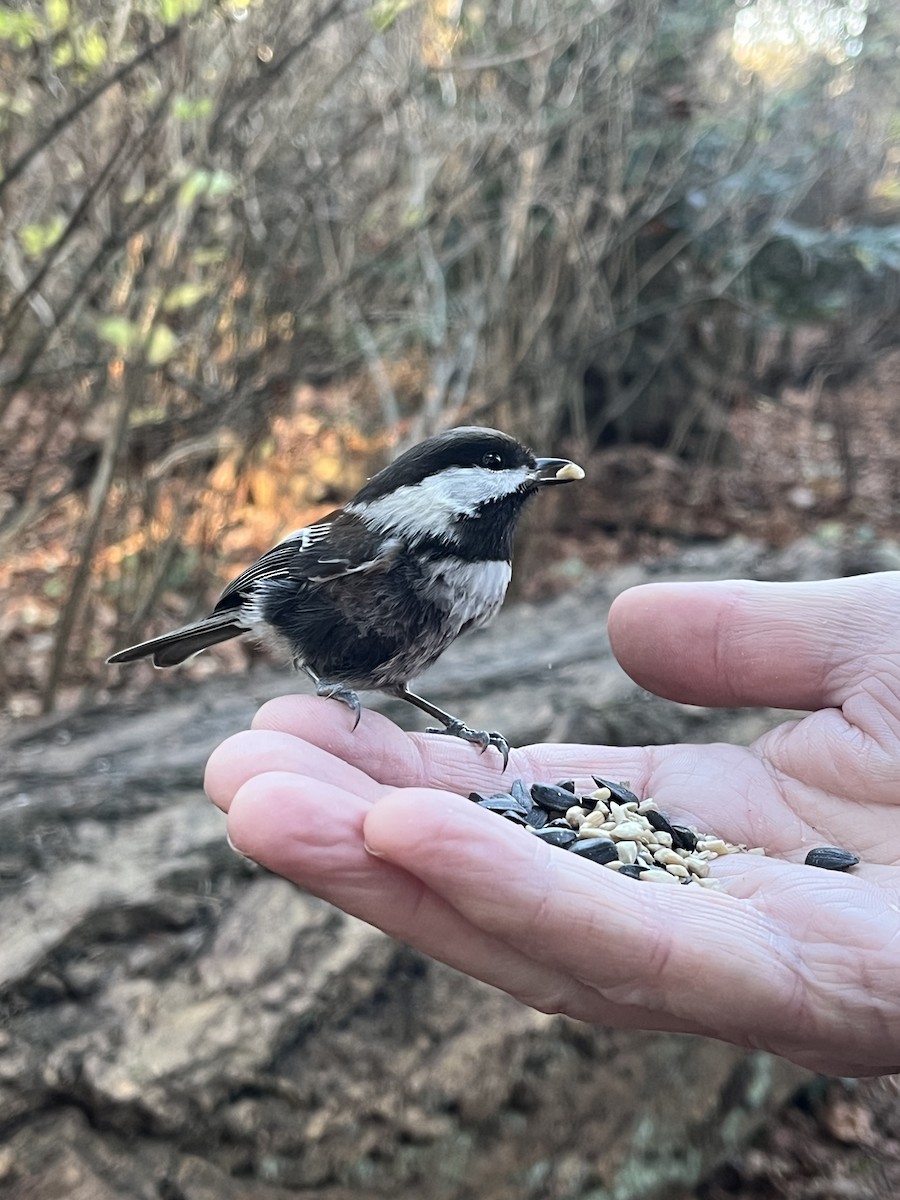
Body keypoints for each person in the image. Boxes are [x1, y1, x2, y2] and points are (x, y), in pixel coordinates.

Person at [205, 576, 900, 1077]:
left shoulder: (477, 573)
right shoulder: (365, 542)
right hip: (298, 628)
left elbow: (402, 670)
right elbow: (286, 579)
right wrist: (320, 671)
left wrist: (457, 729)